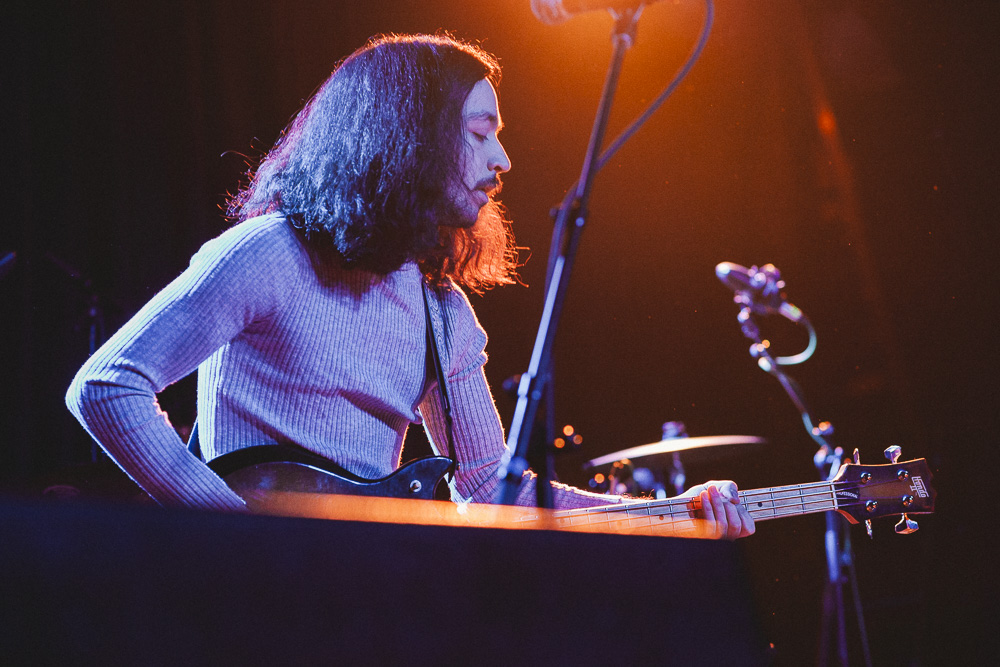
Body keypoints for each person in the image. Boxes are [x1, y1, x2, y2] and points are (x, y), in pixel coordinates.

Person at [66, 33, 754, 539]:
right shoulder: (266, 254)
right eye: (482, 133)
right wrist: (236, 533)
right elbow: (106, 385)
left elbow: (493, 487)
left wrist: (673, 514)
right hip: (244, 605)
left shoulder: (442, 309)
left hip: (358, 603)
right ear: (411, 137)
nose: (503, 159)